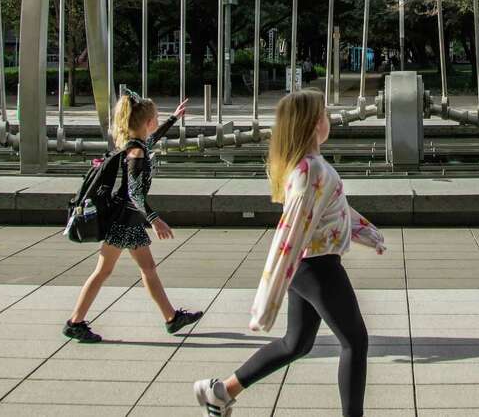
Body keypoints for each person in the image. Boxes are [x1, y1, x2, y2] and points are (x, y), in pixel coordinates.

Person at [194, 90, 385, 417]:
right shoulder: (311, 170)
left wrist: (366, 232)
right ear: (313, 124)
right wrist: (268, 299)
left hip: (309, 265)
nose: (329, 120)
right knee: (355, 341)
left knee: (296, 343)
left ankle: (220, 392)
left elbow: (333, 209)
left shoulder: (307, 166)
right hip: (316, 267)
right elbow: (291, 232)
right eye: (324, 114)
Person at [63, 92, 204, 343]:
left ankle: (171, 318)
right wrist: (155, 219)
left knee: (143, 269)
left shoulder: (136, 146)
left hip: (127, 220)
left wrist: (173, 119)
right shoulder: (136, 153)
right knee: (107, 271)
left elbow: (153, 141)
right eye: (157, 118)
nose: (157, 122)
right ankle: (75, 322)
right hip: (124, 221)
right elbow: (135, 193)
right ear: (147, 122)